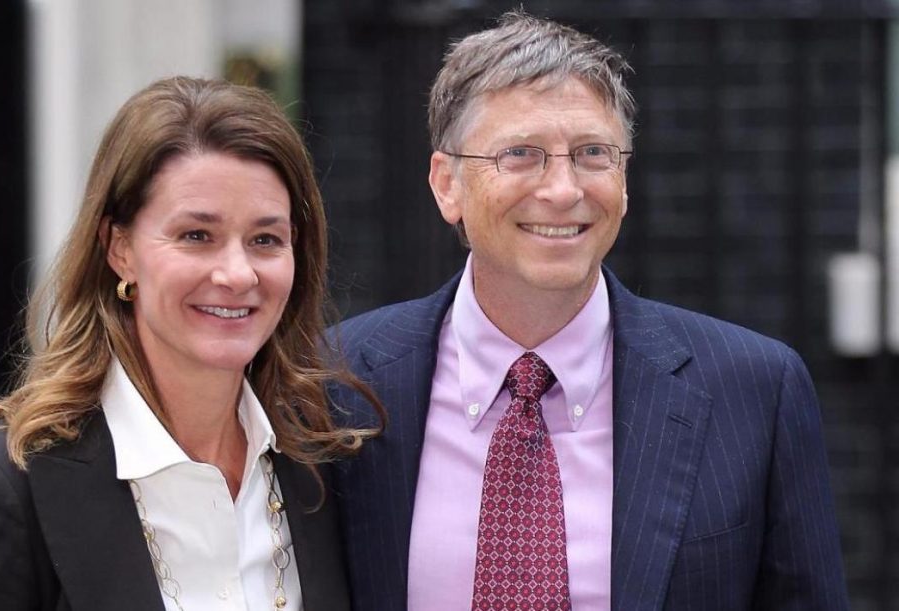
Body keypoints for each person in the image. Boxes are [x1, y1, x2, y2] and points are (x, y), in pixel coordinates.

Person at [327, 10, 849, 611]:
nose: (563, 190)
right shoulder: (337, 380)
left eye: (592, 153)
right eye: (520, 154)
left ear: (623, 179)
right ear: (448, 184)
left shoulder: (755, 391)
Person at [0, 77, 381, 611]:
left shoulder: (329, 465)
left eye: (265, 240)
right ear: (120, 249)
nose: (237, 273)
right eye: (196, 236)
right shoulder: (1, 487)